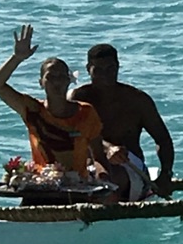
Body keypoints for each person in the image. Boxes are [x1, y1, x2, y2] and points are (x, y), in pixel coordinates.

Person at [0, 24, 105, 181]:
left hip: (78, 186)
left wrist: (103, 178)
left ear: (69, 81)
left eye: (61, 77)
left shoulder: (85, 113)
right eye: (50, 77)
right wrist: (17, 58)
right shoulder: (31, 109)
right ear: (41, 82)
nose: (56, 82)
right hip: (42, 184)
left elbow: (99, 156)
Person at [72, 43, 175, 199]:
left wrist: (166, 174)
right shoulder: (78, 98)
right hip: (88, 163)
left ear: (118, 67)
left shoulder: (138, 100)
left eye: (110, 69)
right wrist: (107, 149)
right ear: (88, 69)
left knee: (111, 178)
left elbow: (163, 139)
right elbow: (71, 133)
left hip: (130, 167)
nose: (105, 76)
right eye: (98, 70)